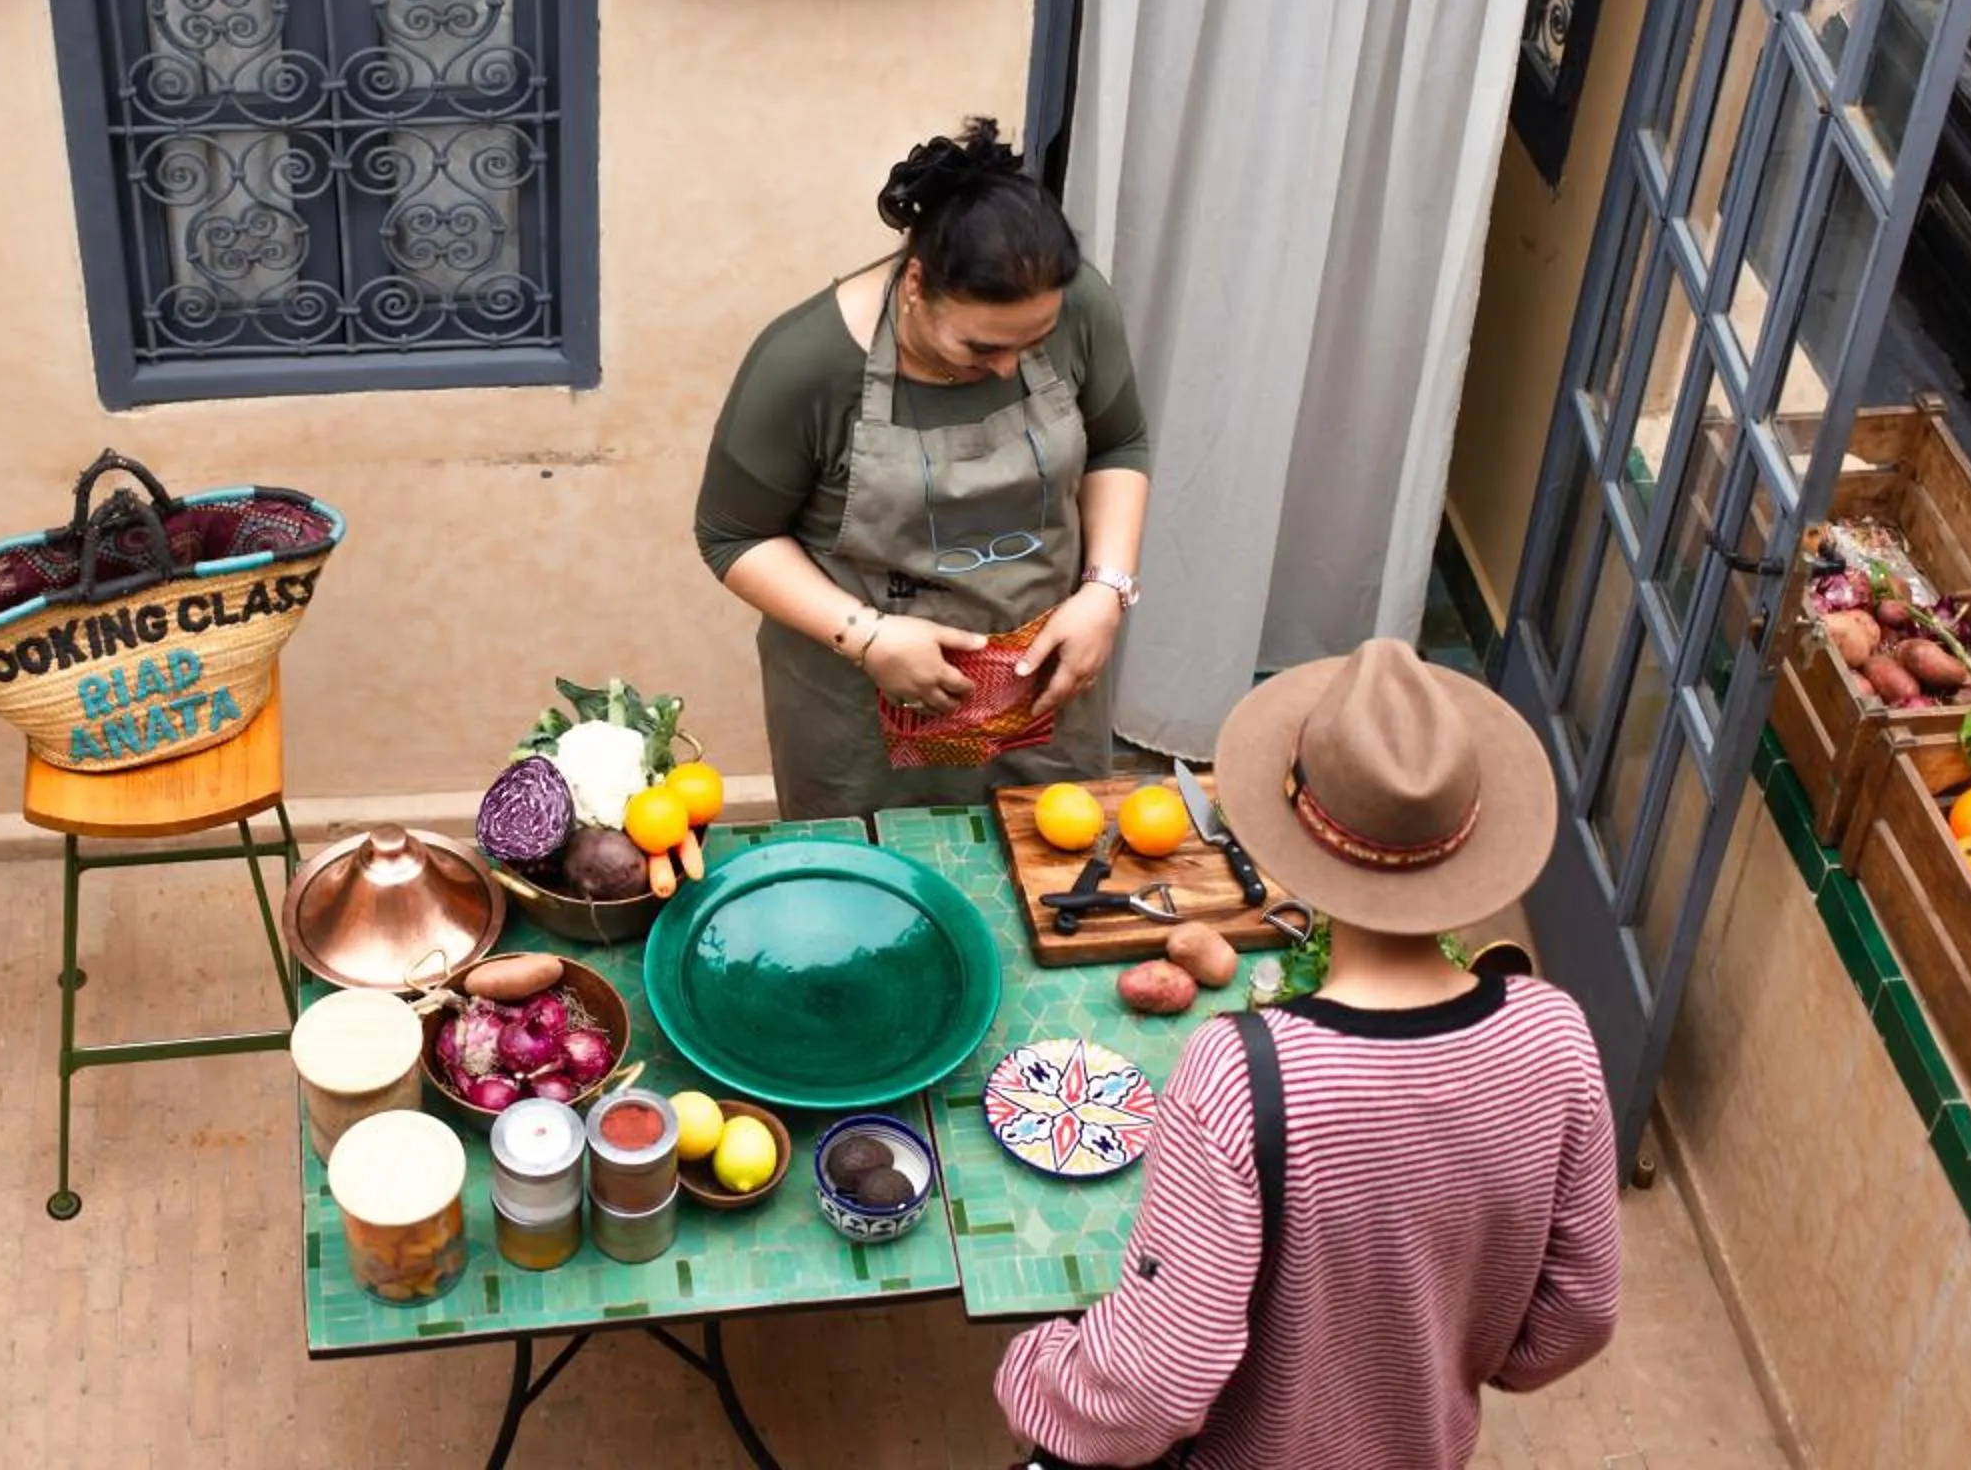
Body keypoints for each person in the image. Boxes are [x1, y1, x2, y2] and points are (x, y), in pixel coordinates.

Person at [994, 637, 1621, 1469]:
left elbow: (1156, 1379)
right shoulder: (1555, 1037)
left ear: (1301, 842)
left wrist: (1036, 1379)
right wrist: (1430, 1362)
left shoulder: (1240, 1075)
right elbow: (1578, 1315)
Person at [693, 120, 1152, 818]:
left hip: (1046, 695)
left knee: (1052, 882)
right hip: (862, 713)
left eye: (1034, 341)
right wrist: (867, 634)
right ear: (915, 283)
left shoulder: (1076, 304)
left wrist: (1105, 593)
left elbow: (1119, 445)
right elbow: (732, 535)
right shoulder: (804, 365)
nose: (1008, 366)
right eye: (980, 347)